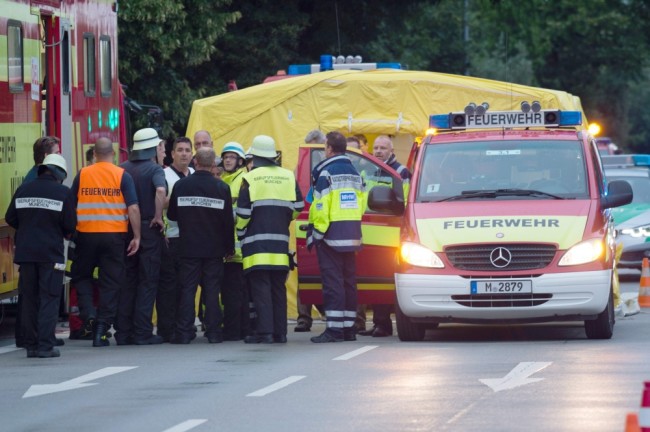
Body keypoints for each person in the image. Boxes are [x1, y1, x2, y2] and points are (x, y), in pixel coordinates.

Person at [70, 137, 141, 347]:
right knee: (110, 283)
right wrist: (136, 236)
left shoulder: (82, 174)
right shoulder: (122, 175)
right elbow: (133, 208)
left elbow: (71, 204)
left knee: (81, 276)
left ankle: (89, 313)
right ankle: (101, 329)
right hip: (114, 237)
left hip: (86, 235)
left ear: (94, 154)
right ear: (114, 154)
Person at [5, 154, 76, 358]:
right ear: (60, 174)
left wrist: (28, 228)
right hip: (51, 254)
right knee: (49, 297)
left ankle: (31, 345)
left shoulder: (23, 190)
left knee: (28, 299)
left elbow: (11, 217)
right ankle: (45, 345)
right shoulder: (63, 193)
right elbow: (70, 226)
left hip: (26, 254)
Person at [237, 135, 304, 344]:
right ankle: (280, 333)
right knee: (278, 288)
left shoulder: (250, 178)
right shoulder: (287, 176)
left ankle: (265, 333)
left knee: (261, 289)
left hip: (256, 245)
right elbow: (299, 207)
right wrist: (284, 219)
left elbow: (243, 214)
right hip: (280, 244)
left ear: (254, 157)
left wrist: (241, 233)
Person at [167, 148, 234, 344]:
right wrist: (229, 248)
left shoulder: (181, 185)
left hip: (188, 247)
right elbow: (228, 222)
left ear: (195, 162)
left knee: (188, 289)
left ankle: (184, 332)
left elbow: (171, 216)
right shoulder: (222, 188)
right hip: (214, 249)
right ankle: (214, 332)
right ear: (213, 164)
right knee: (212, 290)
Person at [307, 132, 364, 343]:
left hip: (330, 237)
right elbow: (361, 204)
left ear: (329, 148)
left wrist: (317, 235)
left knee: (333, 285)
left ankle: (334, 330)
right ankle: (349, 329)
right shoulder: (355, 173)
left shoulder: (326, 173)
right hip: (351, 236)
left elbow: (321, 208)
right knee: (349, 283)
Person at [115, 128, 167, 345]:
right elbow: (161, 191)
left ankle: (123, 332)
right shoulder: (155, 169)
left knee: (128, 282)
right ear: (153, 148)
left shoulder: (121, 169)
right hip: (147, 230)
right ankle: (142, 332)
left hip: (124, 230)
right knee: (147, 281)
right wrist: (158, 215)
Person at [359, 135, 411, 338]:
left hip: (389, 231)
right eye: (376, 148)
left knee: (385, 278)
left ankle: (385, 324)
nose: (378, 151)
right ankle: (378, 322)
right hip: (370, 230)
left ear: (392, 151)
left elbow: (403, 201)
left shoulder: (400, 172)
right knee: (374, 279)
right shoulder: (367, 171)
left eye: (383, 148)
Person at [15, 136, 62, 348]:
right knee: (46, 295)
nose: (60, 156)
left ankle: (30, 339)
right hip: (48, 249)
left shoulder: (28, 182)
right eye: (57, 152)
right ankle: (41, 339)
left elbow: (11, 217)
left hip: (26, 248)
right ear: (46, 157)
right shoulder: (44, 182)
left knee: (30, 295)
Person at [156, 137, 194, 342]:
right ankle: (166, 328)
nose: (184, 154)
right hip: (170, 237)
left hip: (191, 239)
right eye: (180, 150)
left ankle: (183, 327)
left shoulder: (196, 175)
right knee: (168, 287)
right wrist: (181, 196)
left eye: (188, 150)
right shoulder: (164, 175)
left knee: (186, 287)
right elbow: (158, 202)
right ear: (172, 154)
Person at [295, 129, 326, 333]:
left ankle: (325, 314)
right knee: (306, 274)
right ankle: (304, 318)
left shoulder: (329, 170)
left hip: (328, 227)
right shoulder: (303, 171)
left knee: (332, 276)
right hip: (311, 226)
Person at [219, 142, 249, 340]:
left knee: (235, 294)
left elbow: (237, 216)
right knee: (231, 294)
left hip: (237, 251)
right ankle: (235, 328)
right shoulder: (226, 180)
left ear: (240, 161)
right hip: (229, 250)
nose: (228, 160)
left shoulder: (241, 180)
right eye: (225, 156)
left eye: (232, 157)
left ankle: (234, 330)